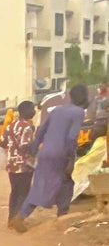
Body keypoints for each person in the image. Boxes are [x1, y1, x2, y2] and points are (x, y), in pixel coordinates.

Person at [11, 84, 88, 232]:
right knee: (66, 183)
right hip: (61, 153)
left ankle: (20, 216)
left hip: (45, 151)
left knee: (40, 184)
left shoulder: (57, 110)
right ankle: (62, 215)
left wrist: (34, 148)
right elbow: (72, 137)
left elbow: (41, 130)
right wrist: (71, 159)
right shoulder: (78, 112)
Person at [0, 100, 37, 225]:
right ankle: (18, 218)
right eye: (32, 109)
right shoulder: (26, 127)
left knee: (15, 192)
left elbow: (2, 142)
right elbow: (24, 146)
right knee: (24, 192)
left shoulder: (10, 125)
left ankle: (11, 218)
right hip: (23, 165)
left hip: (11, 164)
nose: (34, 111)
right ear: (26, 111)